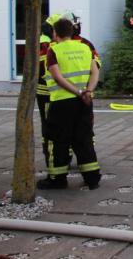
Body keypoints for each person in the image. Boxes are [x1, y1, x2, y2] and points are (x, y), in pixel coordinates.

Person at [37, 18, 101, 190]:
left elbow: (57, 77)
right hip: (84, 102)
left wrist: (78, 92)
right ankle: (92, 178)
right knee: (84, 138)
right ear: (72, 32)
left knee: (58, 140)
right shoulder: (85, 48)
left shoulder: (54, 50)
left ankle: (57, 179)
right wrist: (88, 91)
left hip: (61, 102)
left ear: (55, 33)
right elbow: (95, 72)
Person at [36, 14, 59, 168]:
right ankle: (51, 159)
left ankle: (56, 158)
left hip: (51, 91)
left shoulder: (47, 42)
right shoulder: (45, 44)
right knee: (50, 126)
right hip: (46, 92)